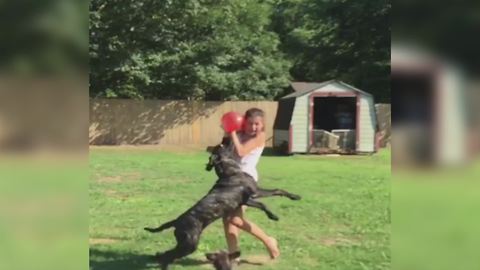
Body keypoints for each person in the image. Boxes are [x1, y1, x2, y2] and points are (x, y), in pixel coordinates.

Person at [222, 108, 280, 260]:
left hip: (246, 181)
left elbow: (241, 152)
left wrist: (232, 131)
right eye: (250, 124)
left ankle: (269, 241)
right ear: (244, 122)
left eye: (257, 124)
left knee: (235, 219)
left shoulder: (260, 137)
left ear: (262, 125)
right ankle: (234, 256)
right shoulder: (240, 134)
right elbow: (227, 152)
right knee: (228, 219)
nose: (254, 127)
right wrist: (228, 132)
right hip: (231, 179)